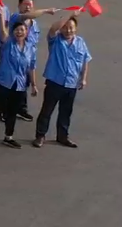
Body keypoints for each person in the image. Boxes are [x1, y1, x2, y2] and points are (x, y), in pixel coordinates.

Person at [34, 10, 90, 148]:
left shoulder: (80, 42)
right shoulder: (55, 40)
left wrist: (83, 78)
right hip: (55, 82)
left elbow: (85, 61)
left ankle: (63, 137)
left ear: (76, 28)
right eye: (65, 27)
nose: (68, 30)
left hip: (71, 83)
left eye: (71, 27)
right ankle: (40, 136)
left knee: (66, 112)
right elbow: (53, 28)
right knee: (47, 110)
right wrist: (70, 15)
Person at [0, 13, 37, 149]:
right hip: (3, 82)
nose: (19, 32)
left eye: (22, 30)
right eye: (17, 30)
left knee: (12, 112)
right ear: (13, 32)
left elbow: (31, 67)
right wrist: (1, 15)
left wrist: (33, 84)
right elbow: (2, 32)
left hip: (19, 84)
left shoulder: (30, 48)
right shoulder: (8, 43)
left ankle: (9, 137)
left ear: (26, 32)